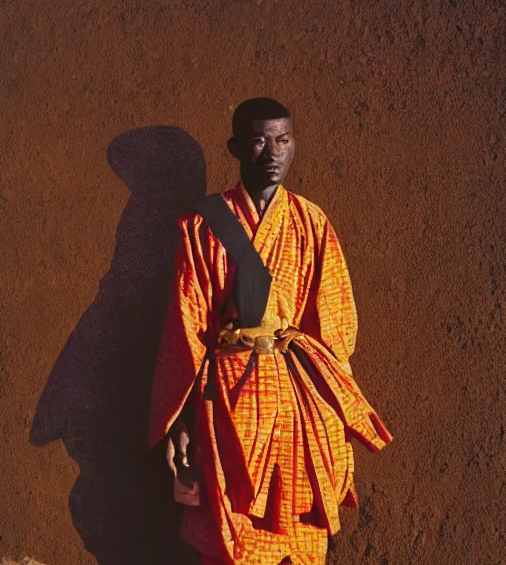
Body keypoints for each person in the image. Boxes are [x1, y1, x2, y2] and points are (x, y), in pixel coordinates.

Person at [149, 97, 392, 565]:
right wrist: (180, 418)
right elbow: (186, 325)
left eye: (283, 139)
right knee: (232, 534)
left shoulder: (312, 224)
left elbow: (336, 328)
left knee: (299, 537)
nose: (273, 152)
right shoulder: (203, 227)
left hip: (298, 405)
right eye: (260, 141)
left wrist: (332, 408)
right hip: (228, 405)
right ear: (237, 148)